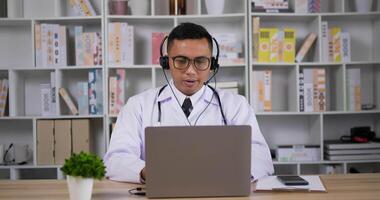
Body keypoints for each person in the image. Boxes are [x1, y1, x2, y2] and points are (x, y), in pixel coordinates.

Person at [103, 22, 274, 183]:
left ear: (212, 64)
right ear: (166, 62)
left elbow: (261, 158)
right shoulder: (138, 105)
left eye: (200, 61)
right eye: (181, 61)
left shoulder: (235, 105)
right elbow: (115, 159)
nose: (190, 71)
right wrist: (147, 171)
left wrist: (231, 173)